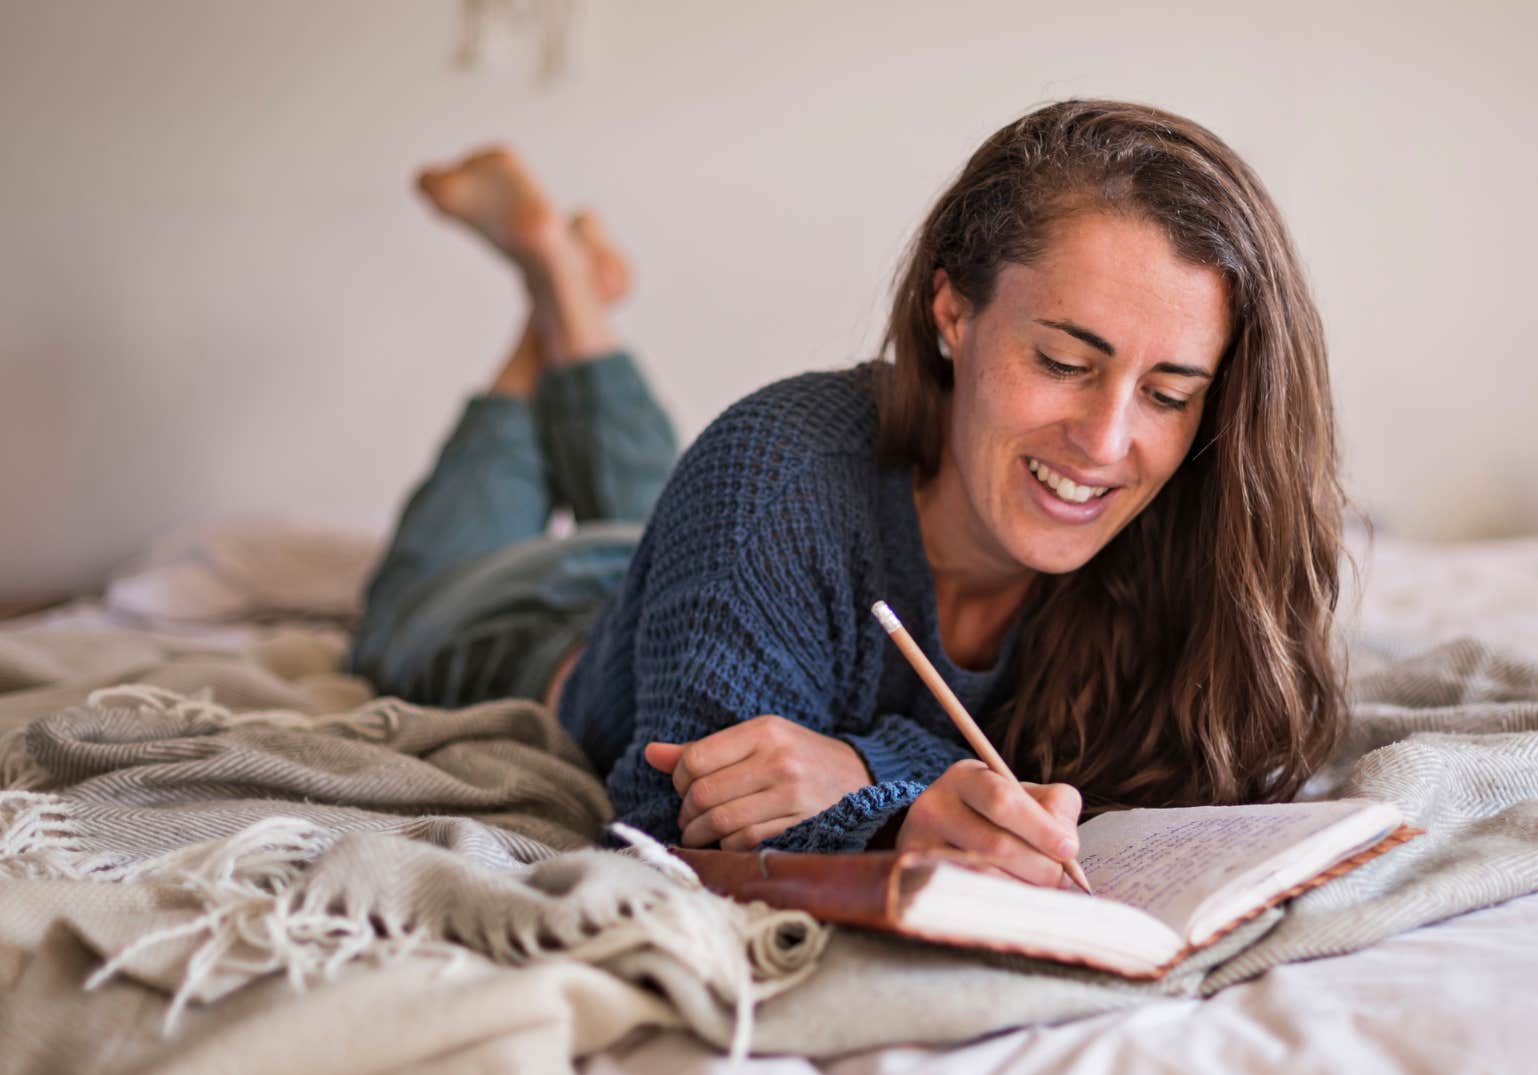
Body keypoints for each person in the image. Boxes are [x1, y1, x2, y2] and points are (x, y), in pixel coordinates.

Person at [352, 100, 1348, 889]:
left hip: (707, 567)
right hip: (533, 619)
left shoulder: (1190, 519)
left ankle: (564, 296)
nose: (1105, 442)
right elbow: (672, 826)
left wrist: (862, 766)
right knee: (407, 608)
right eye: (1061, 360)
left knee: (655, 501)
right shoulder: (773, 472)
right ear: (951, 307)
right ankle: (548, 301)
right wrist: (894, 787)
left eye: (1170, 393)